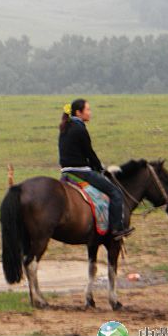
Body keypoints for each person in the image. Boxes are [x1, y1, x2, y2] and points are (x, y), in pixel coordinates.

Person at [58, 98, 134, 240]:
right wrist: (100, 168)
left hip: (66, 172)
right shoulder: (80, 129)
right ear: (78, 112)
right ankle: (117, 229)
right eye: (88, 110)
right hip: (81, 172)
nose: (90, 113)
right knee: (116, 193)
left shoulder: (65, 127)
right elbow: (89, 153)